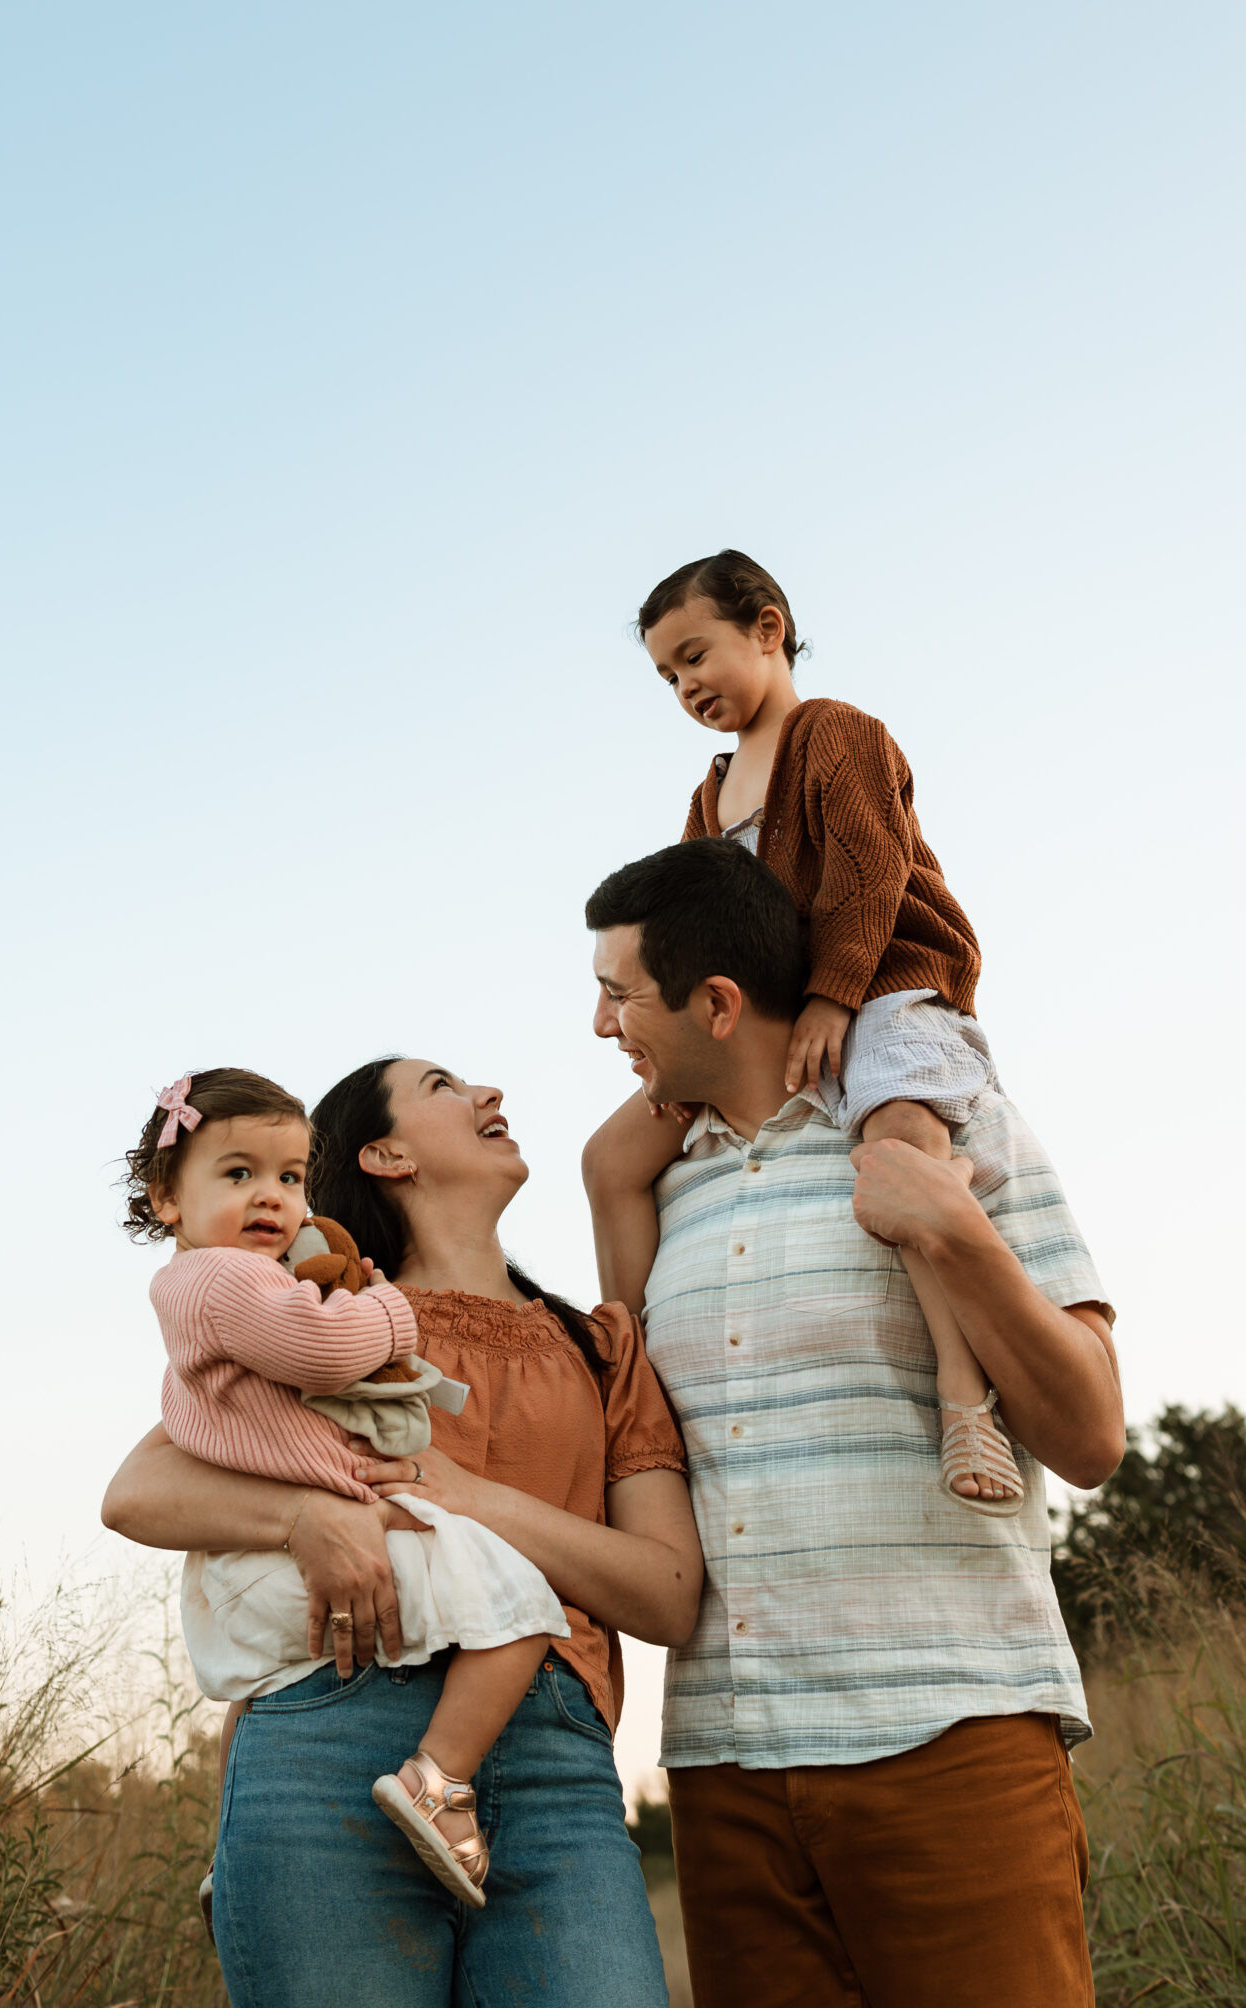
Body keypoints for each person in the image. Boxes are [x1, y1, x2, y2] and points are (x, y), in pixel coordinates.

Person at [582, 836, 1123, 2008]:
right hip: (725, 1768)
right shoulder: (658, 1188)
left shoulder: (952, 1122)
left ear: (716, 1003)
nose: (600, 1026)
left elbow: (1091, 1436)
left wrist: (954, 1231)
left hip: (949, 1731)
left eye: (618, 993)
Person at [103, 1055, 701, 2008]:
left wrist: (471, 1496)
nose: (489, 1094)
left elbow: (668, 1596)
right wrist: (304, 1516)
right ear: (381, 1154)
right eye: (443, 1086)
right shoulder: (322, 1327)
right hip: (329, 1731)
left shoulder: (600, 1349)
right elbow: (138, 1488)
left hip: (556, 1766)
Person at [125, 1063, 568, 1907]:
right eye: (238, 1174)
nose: (272, 1197)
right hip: (305, 1548)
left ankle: (233, 1849)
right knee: (519, 1604)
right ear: (167, 1199)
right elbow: (325, 1354)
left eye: (290, 1178)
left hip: (255, 1562)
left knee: (260, 1700)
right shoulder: (226, 1278)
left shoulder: (215, 1285)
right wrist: (390, 1310)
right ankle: (439, 1783)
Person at [637, 544, 1019, 1508]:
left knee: (898, 1129)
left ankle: (964, 1394)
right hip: (786, 1011)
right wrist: (672, 1050)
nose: (685, 684)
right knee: (619, 1156)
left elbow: (868, 871)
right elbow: (701, 930)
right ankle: (645, 1408)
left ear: (766, 627)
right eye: (666, 674)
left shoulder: (836, 733)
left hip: (884, 977)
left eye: (695, 654)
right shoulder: (708, 793)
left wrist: (835, 992)